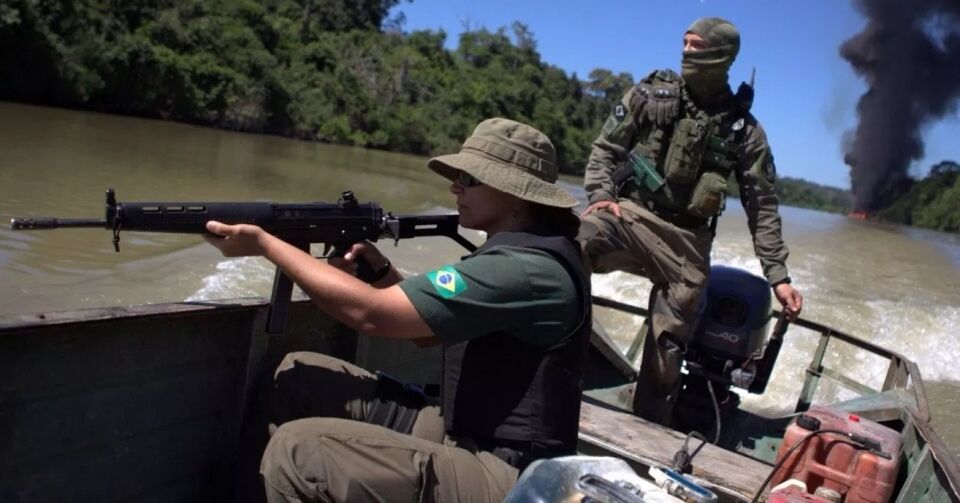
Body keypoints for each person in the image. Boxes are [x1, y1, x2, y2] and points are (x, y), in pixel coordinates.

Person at [204, 118, 591, 502]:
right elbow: (424, 332)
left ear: (515, 193)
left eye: (471, 179)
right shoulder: (520, 255)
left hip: (516, 477)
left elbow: (371, 315)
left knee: (299, 451)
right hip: (470, 431)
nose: (455, 186)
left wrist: (267, 244)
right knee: (294, 376)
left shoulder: (524, 269)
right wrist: (381, 272)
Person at [577, 17, 803, 426]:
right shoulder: (651, 94)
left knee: (671, 336)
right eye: (684, 44)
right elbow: (606, 149)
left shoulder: (746, 133)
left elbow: (762, 204)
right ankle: (553, 358)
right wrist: (601, 197)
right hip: (629, 216)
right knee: (573, 241)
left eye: (696, 46)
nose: (686, 53)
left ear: (721, 56)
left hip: (687, 242)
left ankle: (649, 424)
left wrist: (778, 275)